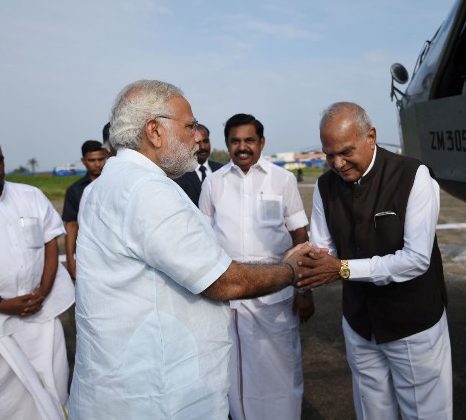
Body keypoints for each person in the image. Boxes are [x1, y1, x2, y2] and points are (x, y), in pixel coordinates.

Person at [68, 80, 310, 419]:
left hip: (126, 382)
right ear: (154, 131)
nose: (197, 137)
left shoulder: (110, 183)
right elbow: (224, 282)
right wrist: (291, 271)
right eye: (189, 126)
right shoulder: (146, 190)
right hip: (156, 394)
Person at [296, 102, 453, 420]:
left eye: (346, 152)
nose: (338, 164)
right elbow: (324, 248)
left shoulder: (413, 176)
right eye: (329, 155)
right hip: (359, 324)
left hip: (413, 324)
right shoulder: (325, 186)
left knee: (426, 413)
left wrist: (342, 269)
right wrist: (306, 262)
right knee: (371, 411)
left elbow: (416, 259)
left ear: (371, 136)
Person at [199, 113, 314, 420]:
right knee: (234, 375)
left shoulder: (283, 180)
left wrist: (305, 291)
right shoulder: (213, 183)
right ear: (227, 144)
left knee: (281, 370)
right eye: (235, 141)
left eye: (249, 140)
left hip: (276, 296)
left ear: (261, 142)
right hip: (229, 297)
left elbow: (300, 238)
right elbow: (204, 240)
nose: (242, 147)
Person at [0, 135, 75, 420]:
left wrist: (43, 290)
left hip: (41, 311)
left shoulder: (30, 195)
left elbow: (51, 242)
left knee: (54, 385)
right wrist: (0, 305)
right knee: (8, 396)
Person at [61, 140, 107, 280]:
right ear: (83, 161)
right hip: (88, 253)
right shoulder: (75, 190)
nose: (97, 164)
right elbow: (71, 225)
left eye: (101, 159)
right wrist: (70, 260)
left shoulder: (114, 183)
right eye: (92, 160)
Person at [174, 123, 223, 206]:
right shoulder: (178, 175)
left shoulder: (221, 170)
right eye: (197, 142)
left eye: (206, 141)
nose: (203, 147)